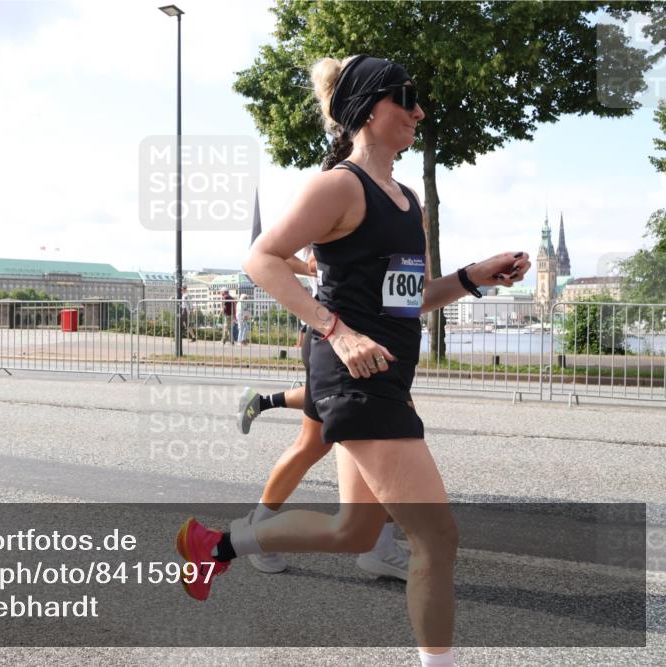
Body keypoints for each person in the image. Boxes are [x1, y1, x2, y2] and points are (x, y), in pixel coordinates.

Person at [176, 54, 531, 667]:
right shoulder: (338, 184)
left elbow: (409, 300)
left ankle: (215, 544)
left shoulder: (405, 198)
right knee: (436, 537)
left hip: (387, 373)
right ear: (370, 107)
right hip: (354, 375)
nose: (420, 111)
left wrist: (474, 278)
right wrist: (336, 332)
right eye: (407, 98)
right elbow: (262, 259)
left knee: (355, 532)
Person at [235, 248, 409, 580]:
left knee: (317, 443)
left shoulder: (404, 204)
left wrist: (467, 279)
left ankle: (379, 546)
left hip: (370, 341)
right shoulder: (344, 202)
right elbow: (280, 257)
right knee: (373, 442)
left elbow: (411, 291)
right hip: (341, 342)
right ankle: (254, 534)